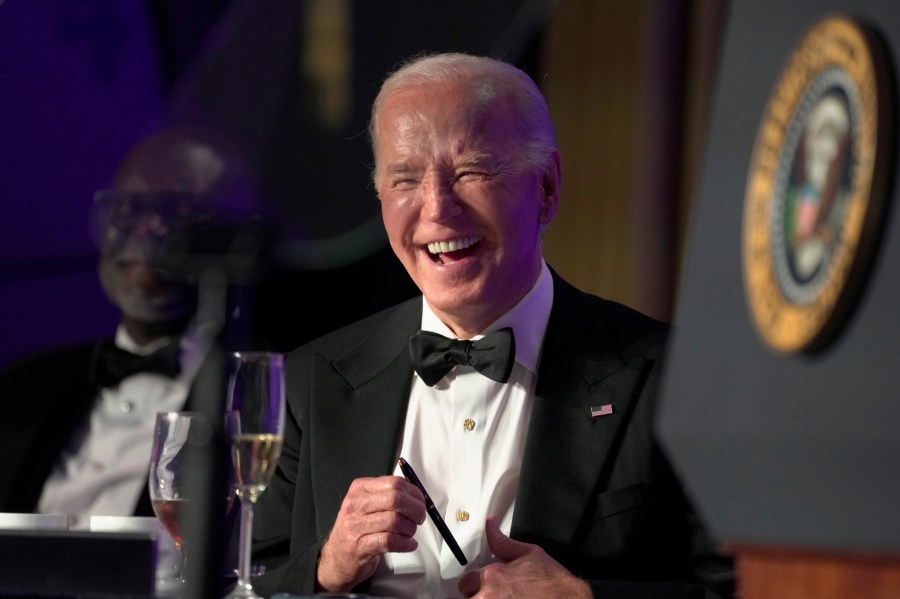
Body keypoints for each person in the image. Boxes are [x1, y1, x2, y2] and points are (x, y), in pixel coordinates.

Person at [251, 52, 734, 598]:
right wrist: (326, 567)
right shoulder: (310, 379)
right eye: (406, 178)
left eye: (471, 171)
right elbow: (249, 579)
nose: (437, 209)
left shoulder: (672, 376)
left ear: (547, 188)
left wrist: (583, 598)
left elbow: (747, 587)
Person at [0, 124, 259, 529]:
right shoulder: (20, 387)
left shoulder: (266, 400)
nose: (147, 232)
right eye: (128, 209)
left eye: (182, 212)